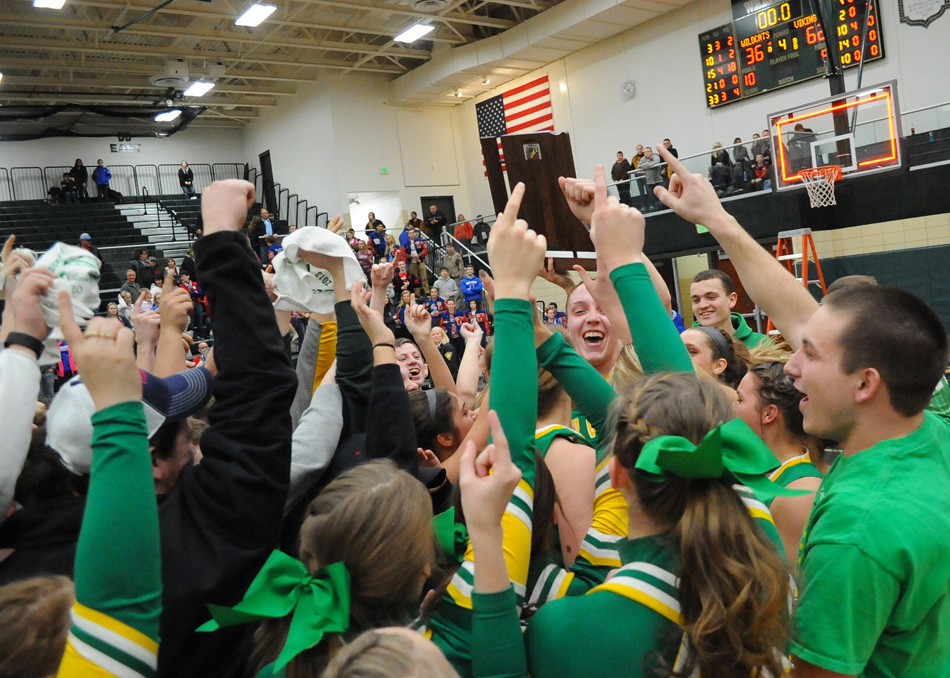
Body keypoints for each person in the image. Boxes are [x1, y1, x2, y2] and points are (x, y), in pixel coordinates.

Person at [654, 142, 950, 678]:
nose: (789, 367)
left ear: (866, 383)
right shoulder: (926, 434)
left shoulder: (857, 531)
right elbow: (798, 313)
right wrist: (716, 217)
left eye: (808, 356)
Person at [734, 361, 823, 561]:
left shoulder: (800, 492)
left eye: (739, 400)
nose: (732, 407)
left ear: (768, 414)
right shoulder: (753, 465)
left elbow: (792, 585)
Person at [689, 268, 770, 348]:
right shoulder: (684, 347)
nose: (702, 305)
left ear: (732, 300)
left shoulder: (760, 344)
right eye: (696, 300)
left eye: (711, 297)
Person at [635, 146, 664, 211]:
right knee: (653, 196)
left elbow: (656, 162)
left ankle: (664, 208)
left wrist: (646, 165)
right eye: (645, 152)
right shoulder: (643, 159)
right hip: (649, 181)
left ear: (651, 152)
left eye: (648, 151)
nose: (647, 153)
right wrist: (646, 164)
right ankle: (657, 209)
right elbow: (638, 167)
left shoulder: (655, 156)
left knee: (661, 195)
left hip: (658, 180)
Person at [406, 227, 429, 292]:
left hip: (420, 261)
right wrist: (410, 256)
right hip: (412, 263)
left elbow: (425, 249)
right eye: (410, 233)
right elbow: (404, 253)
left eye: (413, 232)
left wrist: (420, 255)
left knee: (424, 277)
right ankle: (417, 292)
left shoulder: (420, 241)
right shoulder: (406, 243)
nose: (412, 234)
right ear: (408, 235)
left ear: (415, 233)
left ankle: (427, 291)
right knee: (414, 279)